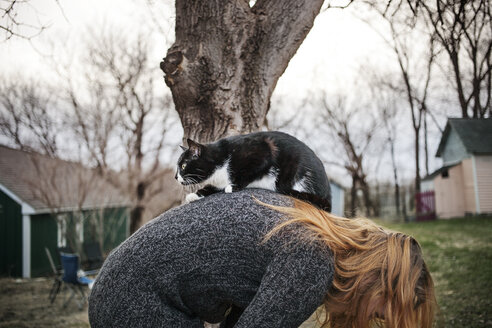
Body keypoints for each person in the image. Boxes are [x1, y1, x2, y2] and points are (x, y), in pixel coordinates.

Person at [88, 189, 436, 328]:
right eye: (378, 312)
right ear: (376, 278)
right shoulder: (313, 259)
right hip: (134, 300)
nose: (371, 319)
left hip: (117, 285)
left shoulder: (311, 230)